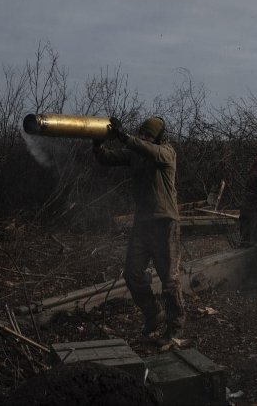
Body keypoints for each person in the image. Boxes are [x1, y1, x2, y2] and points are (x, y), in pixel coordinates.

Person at [93, 117, 185, 344]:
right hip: (143, 224)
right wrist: (97, 143)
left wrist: (125, 137)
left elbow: (148, 150)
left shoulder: (166, 153)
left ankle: (175, 328)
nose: (144, 138)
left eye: (148, 135)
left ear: (158, 138)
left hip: (165, 224)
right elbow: (106, 159)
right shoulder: (136, 153)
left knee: (170, 282)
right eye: (142, 134)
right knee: (133, 274)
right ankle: (154, 314)